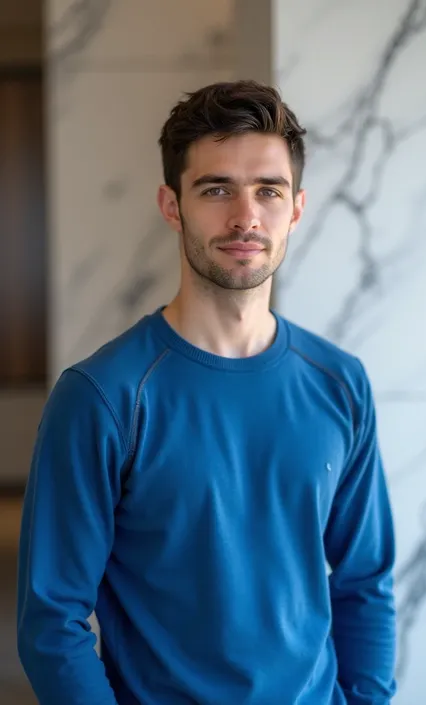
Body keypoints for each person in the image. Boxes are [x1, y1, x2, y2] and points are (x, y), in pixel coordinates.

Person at [17, 80, 397, 705]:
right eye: (216, 188)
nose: (245, 216)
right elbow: (51, 620)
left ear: (296, 208)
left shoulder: (340, 383)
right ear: (172, 206)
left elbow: (366, 582)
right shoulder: (103, 396)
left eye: (268, 191)